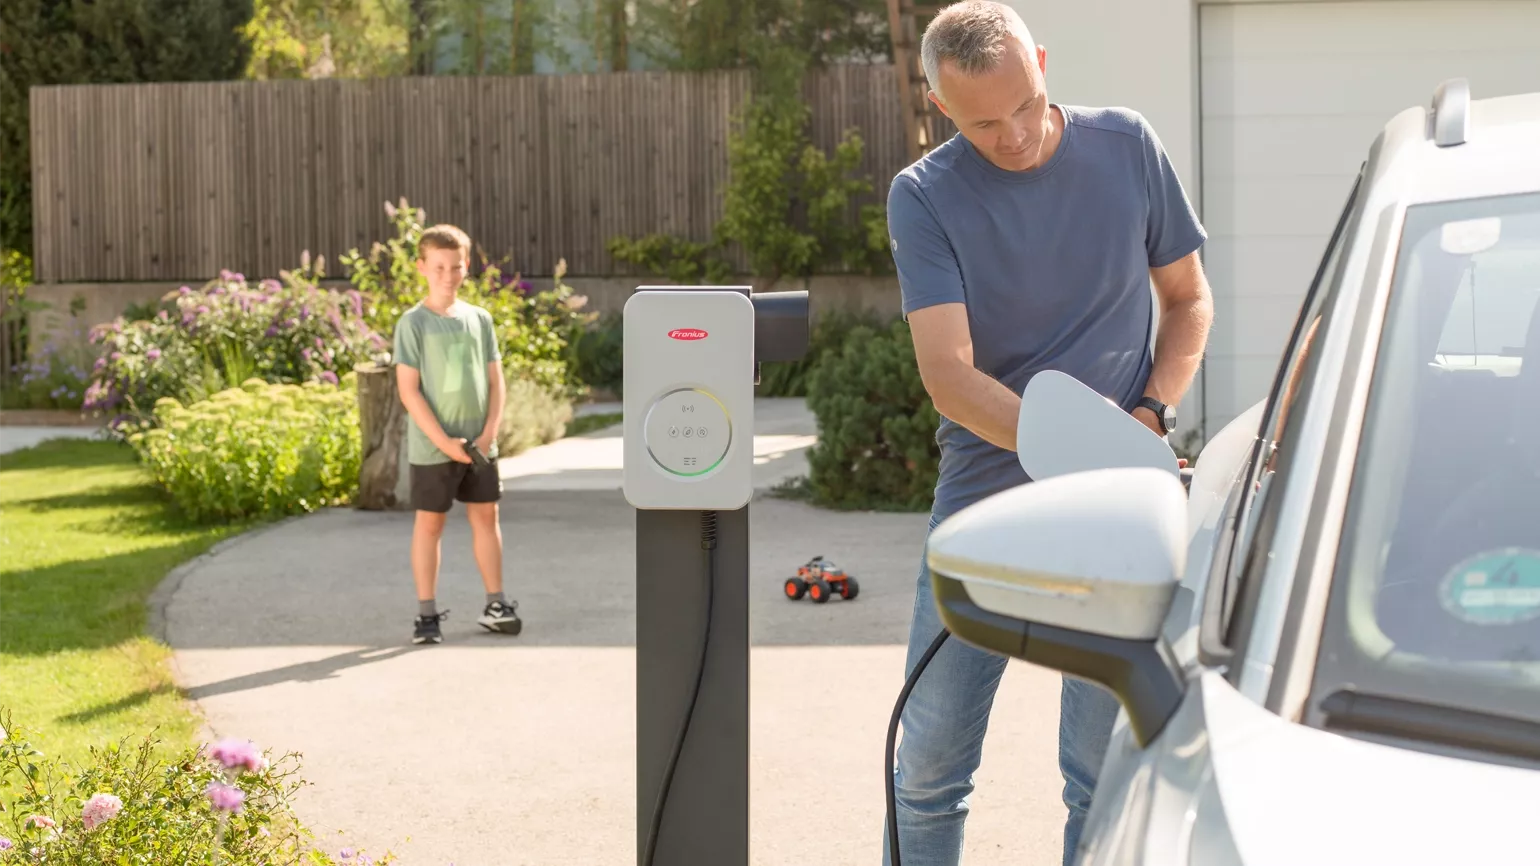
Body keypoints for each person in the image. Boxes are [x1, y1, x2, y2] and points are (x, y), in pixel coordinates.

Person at [881, 3, 1214, 865]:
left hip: (1120, 509)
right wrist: (1072, 443)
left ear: (1040, 59)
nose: (1016, 135)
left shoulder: (1127, 145)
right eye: (983, 121)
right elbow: (948, 374)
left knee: (1099, 773)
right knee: (927, 768)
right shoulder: (924, 196)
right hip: (983, 501)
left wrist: (1146, 416)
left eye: (1025, 104)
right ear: (938, 103)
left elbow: (1187, 301)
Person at [392, 224, 523, 645]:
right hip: (435, 448)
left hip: (480, 446)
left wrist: (488, 434)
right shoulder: (412, 324)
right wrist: (445, 442)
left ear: (467, 267)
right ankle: (427, 616)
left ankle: (496, 604)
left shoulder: (479, 320)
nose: (448, 274)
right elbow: (409, 391)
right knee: (430, 525)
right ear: (423, 268)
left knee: (486, 517)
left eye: (456, 266)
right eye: (439, 267)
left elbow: (496, 382)